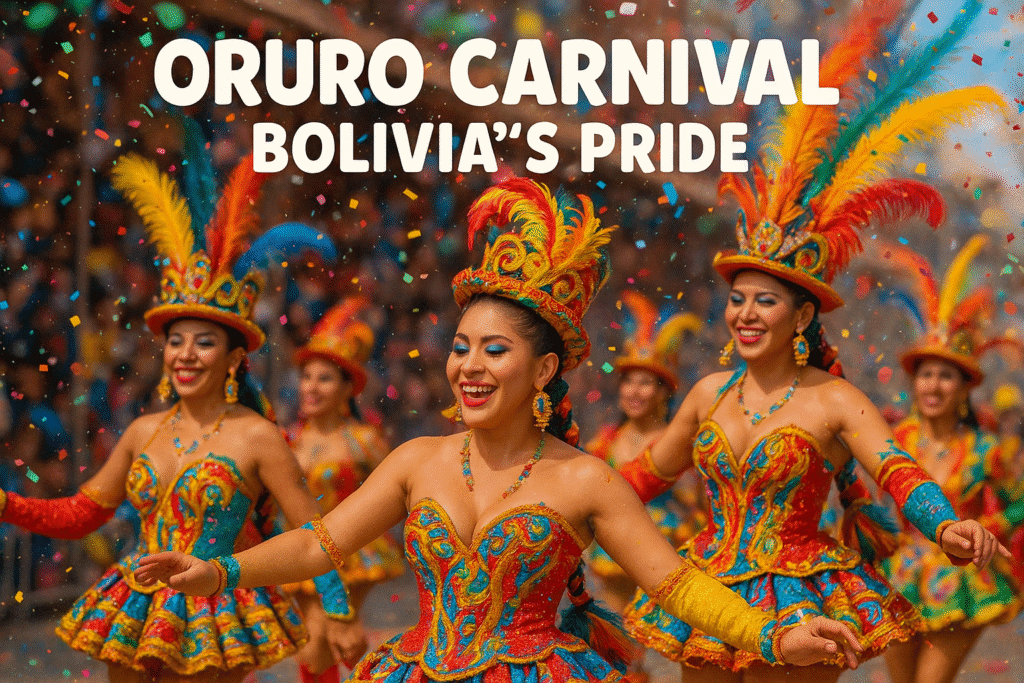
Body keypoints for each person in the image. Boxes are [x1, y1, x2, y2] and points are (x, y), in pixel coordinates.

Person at [137, 178, 869, 683]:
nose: (470, 367)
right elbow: (317, 542)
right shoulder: (416, 459)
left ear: (545, 368)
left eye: (495, 349)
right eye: (461, 347)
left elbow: (676, 586)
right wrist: (222, 571)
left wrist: (773, 636)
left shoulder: (585, 479)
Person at [618, 4, 1009, 681]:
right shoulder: (708, 395)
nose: (743, 313)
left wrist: (946, 527)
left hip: (804, 601)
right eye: (737, 299)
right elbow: (643, 477)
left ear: (801, 317)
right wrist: (549, 492)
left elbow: (898, 472)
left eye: (763, 301)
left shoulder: (834, 400)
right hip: (709, 594)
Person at [0, 154, 363, 682]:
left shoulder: (258, 437)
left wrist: (338, 612)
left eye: (204, 342)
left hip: (212, 609)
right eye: (176, 341)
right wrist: (9, 504)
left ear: (235, 358)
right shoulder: (144, 430)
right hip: (136, 607)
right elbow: (83, 513)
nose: (186, 354)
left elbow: (314, 534)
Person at [878, 236, 1024, 683]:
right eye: (926, 375)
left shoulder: (985, 451)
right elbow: (867, 500)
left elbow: (1018, 504)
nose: (934, 386)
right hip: (899, 578)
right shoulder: (895, 439)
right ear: (914, 382)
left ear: (964, 389)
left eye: (946, 376)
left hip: (960, 582)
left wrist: (985, 533)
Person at [287, 297, 404, 683]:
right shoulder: (288, 442)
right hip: (301, 553)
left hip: (348, 552)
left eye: (324, 378)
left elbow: (397, 489)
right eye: (306, 377)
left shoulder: (363, 441)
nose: (312, 387)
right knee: (313, 639)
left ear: (346, 389)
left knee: (327, 636)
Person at [586, 291, 704, 613]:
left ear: (665, 391)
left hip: (666, 558)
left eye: (645, 383)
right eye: (627, 382)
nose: (633, 392)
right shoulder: (605, 440)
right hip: (611, 560)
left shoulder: (677, 442)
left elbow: (699, 503)